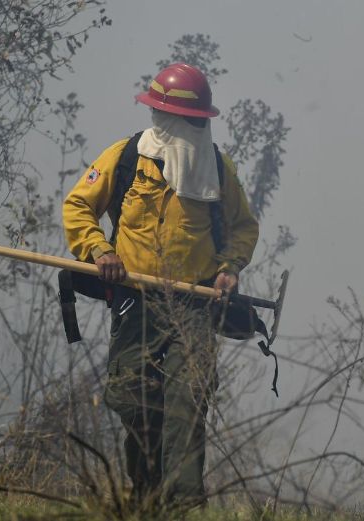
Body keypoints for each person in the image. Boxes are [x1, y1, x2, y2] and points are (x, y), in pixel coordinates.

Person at [61, 63, 259, 507]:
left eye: (191, 121)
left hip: (194, 304)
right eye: (168, 117)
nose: (176, 127)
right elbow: (78, 206)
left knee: (187, 402)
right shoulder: (125, 157)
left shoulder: (219, 171)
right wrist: (99, 251)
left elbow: (244, 228)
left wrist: (230, 268)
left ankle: (182, 503)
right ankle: (147, 495)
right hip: (134, 300)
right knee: (132, 397)